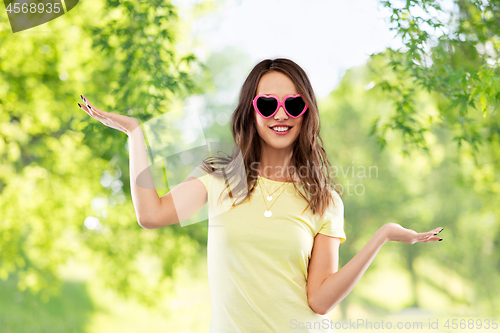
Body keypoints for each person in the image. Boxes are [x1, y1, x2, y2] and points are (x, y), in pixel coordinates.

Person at [78, 58, 444, 332]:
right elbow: (151, 214)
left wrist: (383, 235)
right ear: (251, 112)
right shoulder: (217, 179)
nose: (280, 114)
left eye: (293, 104)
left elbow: (319, 301)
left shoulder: (325, 200)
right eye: (268, 104)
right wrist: (136, 134)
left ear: (306, 112)